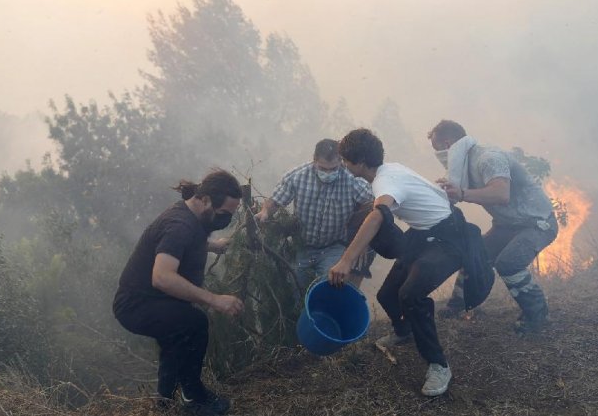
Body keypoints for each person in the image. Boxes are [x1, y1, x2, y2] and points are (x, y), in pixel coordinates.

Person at [328, 128, 471, 397]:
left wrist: (345, 261)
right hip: (423, 233)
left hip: (448, 238)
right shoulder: (388, 172)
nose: (345, 166)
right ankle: (403, 330)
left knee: (411, 296)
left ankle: (439, 365)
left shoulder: (385, 181)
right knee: (387, 295)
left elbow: (378, 215)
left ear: (359, 162)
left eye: (347, 161)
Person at [113, 170, 245, 415]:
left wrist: (213, 245)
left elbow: (189, 241)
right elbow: (162, 277)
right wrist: (214, 299)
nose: (225, 220)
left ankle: (165, 406)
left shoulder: (193, 216)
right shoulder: (179, 225)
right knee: (194, 324)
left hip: (155, 301)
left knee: (176, 340)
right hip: (137, 304)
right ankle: (193, 397)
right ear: (205, 200)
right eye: (224, 214)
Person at [428, 119, 558, 333]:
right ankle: (458, 306)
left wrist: (461, 194)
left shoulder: (488, 158)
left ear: (448, 144)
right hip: (507, 224)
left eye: (437, 150)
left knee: (509, 264)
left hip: (536, 223)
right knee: (474, 255)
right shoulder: (464, 164)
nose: (438, 156)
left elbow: (501, 194)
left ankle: (538, 317)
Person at [255, 139, 373, 291]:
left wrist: (360, 234)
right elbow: (275, 201)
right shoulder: (297, 176)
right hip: (302, 246)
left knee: (331, 286)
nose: (328, 174)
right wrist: (265, 211)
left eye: (333, 169)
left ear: (340, 162)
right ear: (314, 160)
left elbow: (371, 205)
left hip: (333, 246)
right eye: (323, 169)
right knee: (295, 288)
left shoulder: (351, 179)